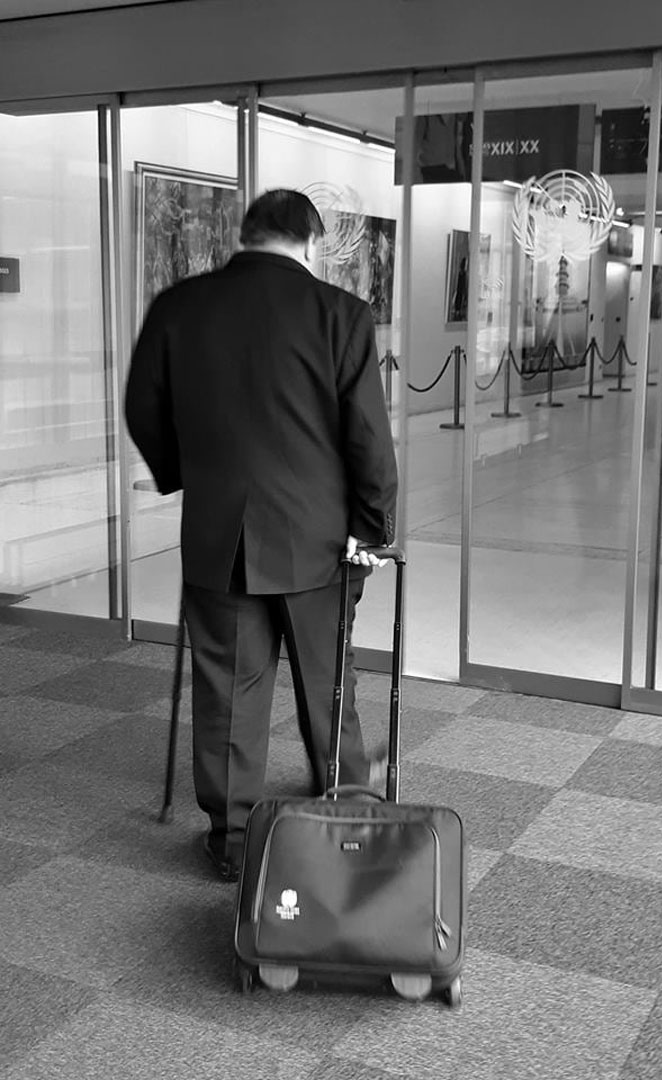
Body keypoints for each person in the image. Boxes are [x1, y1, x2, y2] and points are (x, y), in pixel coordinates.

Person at [125, 189, 399, 882]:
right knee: (328, 675)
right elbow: (366, 433)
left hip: (221, 535)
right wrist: (373, 525)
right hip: (318, 538)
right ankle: (347, 806)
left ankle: (234, 837)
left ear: (245, 236)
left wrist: (189, 476)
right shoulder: (340, 313)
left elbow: (143, 408)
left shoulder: (179, 307)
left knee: (230, 684)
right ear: (310, 242)